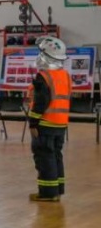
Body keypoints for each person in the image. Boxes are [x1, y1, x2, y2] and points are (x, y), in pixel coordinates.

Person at [28, 36, 71, 202]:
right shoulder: (65, 75)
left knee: (44, 157)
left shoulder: (44, 76)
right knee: (56, 156)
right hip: (61, 123)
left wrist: (33, 122)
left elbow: (40, 102)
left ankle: (48, 193)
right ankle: (57, 190)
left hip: (45, 123)